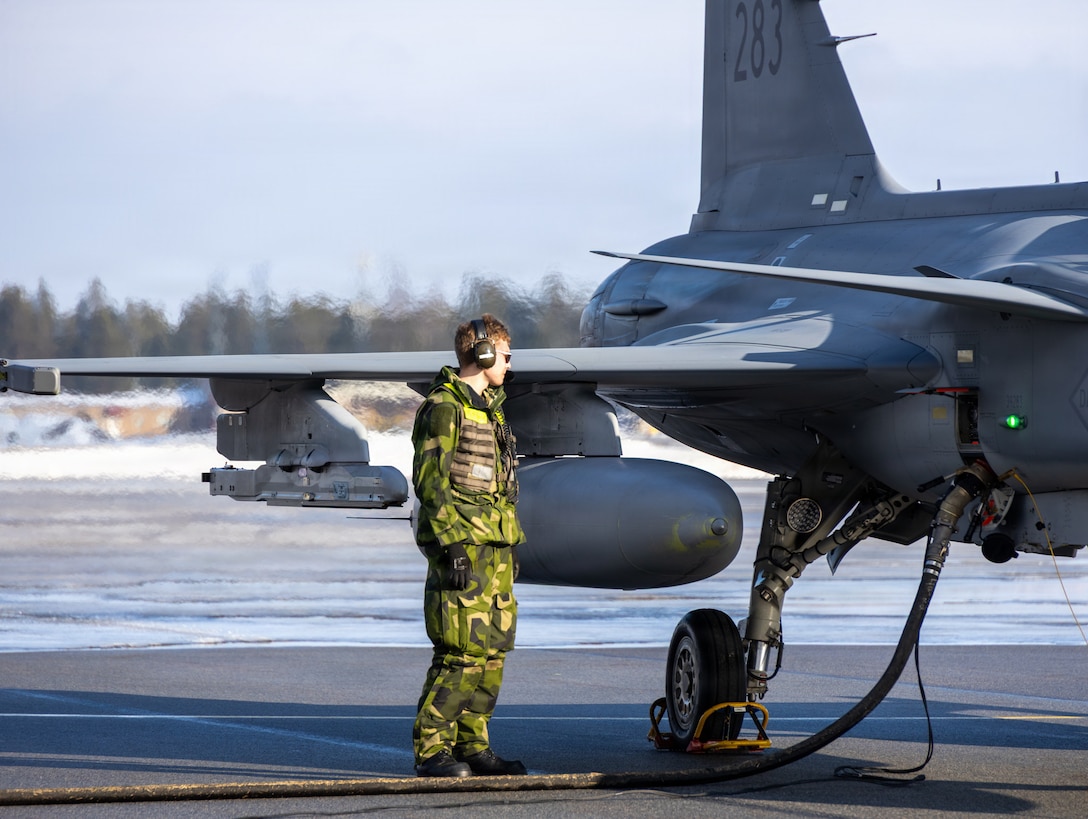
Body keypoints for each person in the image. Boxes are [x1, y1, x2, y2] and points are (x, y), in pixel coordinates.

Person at [410, 314, 527, 777]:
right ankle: (431, 750)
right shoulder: (444, 407)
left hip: (494, 548)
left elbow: (499, 487)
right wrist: (452, 543)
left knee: (492, 652)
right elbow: (431, 483)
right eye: (505, 354)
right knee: (459, 651)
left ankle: (473, 745)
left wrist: (508, 546)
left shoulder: (490, 408)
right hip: (463, 548)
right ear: (482, 354)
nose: (509, 363)